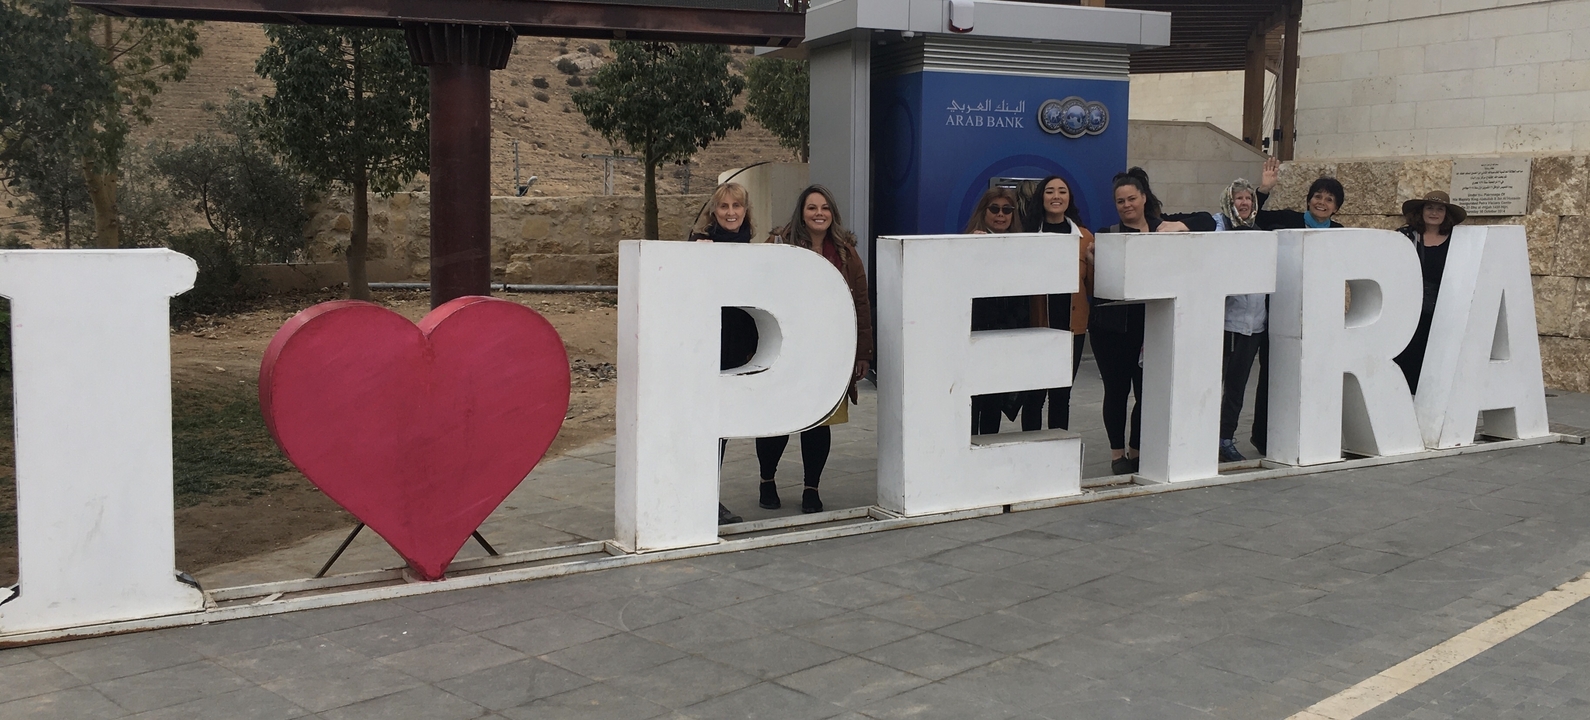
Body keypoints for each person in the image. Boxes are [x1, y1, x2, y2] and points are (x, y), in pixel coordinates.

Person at [757, 186, 874, 513]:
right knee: (778, 418)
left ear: (833, 213)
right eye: (812, 207)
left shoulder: (847, 253)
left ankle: (812, 487)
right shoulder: (780, 244)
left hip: (830, 350)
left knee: (820, 421)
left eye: (824, 207)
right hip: (786, 347)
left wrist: (863, 352)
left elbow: (860, 304)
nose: (818, 213)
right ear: (801, 212)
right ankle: (767, 480)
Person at [1093, 168, 1188, 475]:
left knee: (1147, 392)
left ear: (1144, 198)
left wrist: (1180, 226)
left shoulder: (1164, 229)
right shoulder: (1106, 236)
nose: (1126, 205)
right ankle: (1117, 454)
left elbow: (1205, 221)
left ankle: (1137, 450)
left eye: (1131, 198)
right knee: (1117, 392)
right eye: (1120, 201)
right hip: (1112, 329)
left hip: (1151, 328)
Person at [691, 182, 758, 524]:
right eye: (724, 206)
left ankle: (709, 496)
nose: (731, 212)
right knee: (703, 423)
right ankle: (701, 497)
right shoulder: (700, 244)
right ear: (714, 211)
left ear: (746, 211)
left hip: (736, 345)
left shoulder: (752, 248)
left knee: (720, 427)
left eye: (737, 206)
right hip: (705, 344)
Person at [1019, 175, 1095, 432]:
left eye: (1062, 191)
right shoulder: (1027, 235)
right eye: (1050, 191)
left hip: (1072, 329)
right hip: (1037, 328)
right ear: (1041, 197)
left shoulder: (1084, 237)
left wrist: (1095, 263)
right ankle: (1030, 451)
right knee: (1034, 396)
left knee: (1062, 396)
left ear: (1069, 198)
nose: (1056, 196)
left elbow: (1093, 287)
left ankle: (1058, 452)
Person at [963, 187, 1029, 435]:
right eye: (995, 209)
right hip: (977, 329)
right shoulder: (969, 241)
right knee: (972, 399)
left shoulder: (1019, 245)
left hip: (1006, 329)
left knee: (994, 397)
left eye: (1007, 210)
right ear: (984, 211)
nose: (1001, 215)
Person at [1212, 177, 1269, 462]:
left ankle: (1225, 439)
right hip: (1227, 324)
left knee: (1236, 387)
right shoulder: (1219, 228)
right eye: (1238, 198)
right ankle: (1205, 435)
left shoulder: (1259, 233)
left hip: (1254, 326)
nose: (1244, 203)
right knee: (1214, 383)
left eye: (1248, 198)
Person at [1393, 191, 1467, 393]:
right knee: (1408, 362)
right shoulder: (1405, 237)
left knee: (1437, 364)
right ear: (1421, 211)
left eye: (1440, 209)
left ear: (1446, 214)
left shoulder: (1457, 241)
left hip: (1443, 312)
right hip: (1411, 312)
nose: (1434, 212)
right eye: (1430, 207)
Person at [1254, 156, 1345, 230]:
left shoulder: (1339, 231)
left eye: (1329, 200)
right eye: (1318, 196)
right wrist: (1264, 189)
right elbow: (1254, 217)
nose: (1321, 202)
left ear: (1335, 208)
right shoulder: (1286, 219)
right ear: (1309, 201)